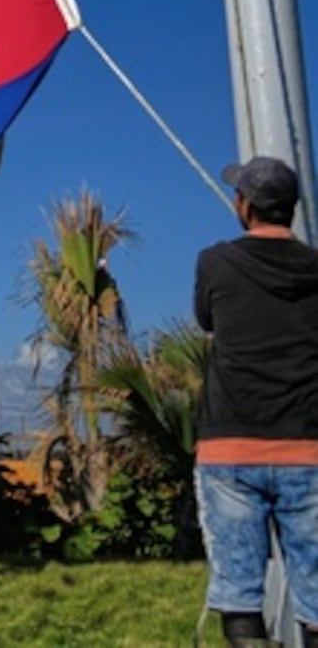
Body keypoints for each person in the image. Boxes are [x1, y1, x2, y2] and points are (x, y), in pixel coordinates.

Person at [194, 156, 318, 648]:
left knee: (240, 594)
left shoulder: (215, 262)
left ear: (243, 205)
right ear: (291, 207)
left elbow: (206, 319)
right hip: (308, 448)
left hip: (231, 448)